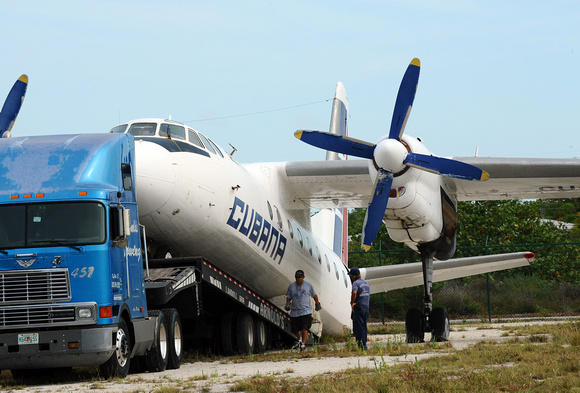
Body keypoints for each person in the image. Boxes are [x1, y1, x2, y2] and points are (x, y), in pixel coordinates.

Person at [285, 269, 321, 351]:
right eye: (297, 278)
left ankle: (303, 344)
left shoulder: (308, 285)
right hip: (295, 311)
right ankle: (300, 340)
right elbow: (289, 296)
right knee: (295, 329)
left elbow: (314, 295)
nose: (298, 280)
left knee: (305, 327)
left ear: (303, 277)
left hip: (306, 310)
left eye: (300, 278)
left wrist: (317, 303)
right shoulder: (291, 286)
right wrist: (287, 303)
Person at [349, 267, 370, 350]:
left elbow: (354, 293)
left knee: (358, 328)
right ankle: (364, 345)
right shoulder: (366, 283)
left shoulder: (356, 283)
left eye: (350, 276)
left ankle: (360, 346)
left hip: (359, 308)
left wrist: (352, 303)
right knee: (364, 327)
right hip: (366, 308)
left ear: (353, 276)